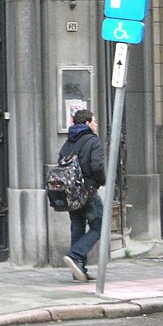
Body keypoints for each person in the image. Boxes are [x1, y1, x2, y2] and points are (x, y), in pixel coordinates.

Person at [60, 108, 106, 283]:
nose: (95, 124)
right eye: (94, 121)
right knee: (100, 225)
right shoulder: (93, 141)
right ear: (87, 123)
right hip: (88, 191)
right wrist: (101, 181)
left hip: (71, 194)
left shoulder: (69, 142)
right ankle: (75, 254)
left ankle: (78, 270)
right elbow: (97, 166)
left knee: (77, 228)